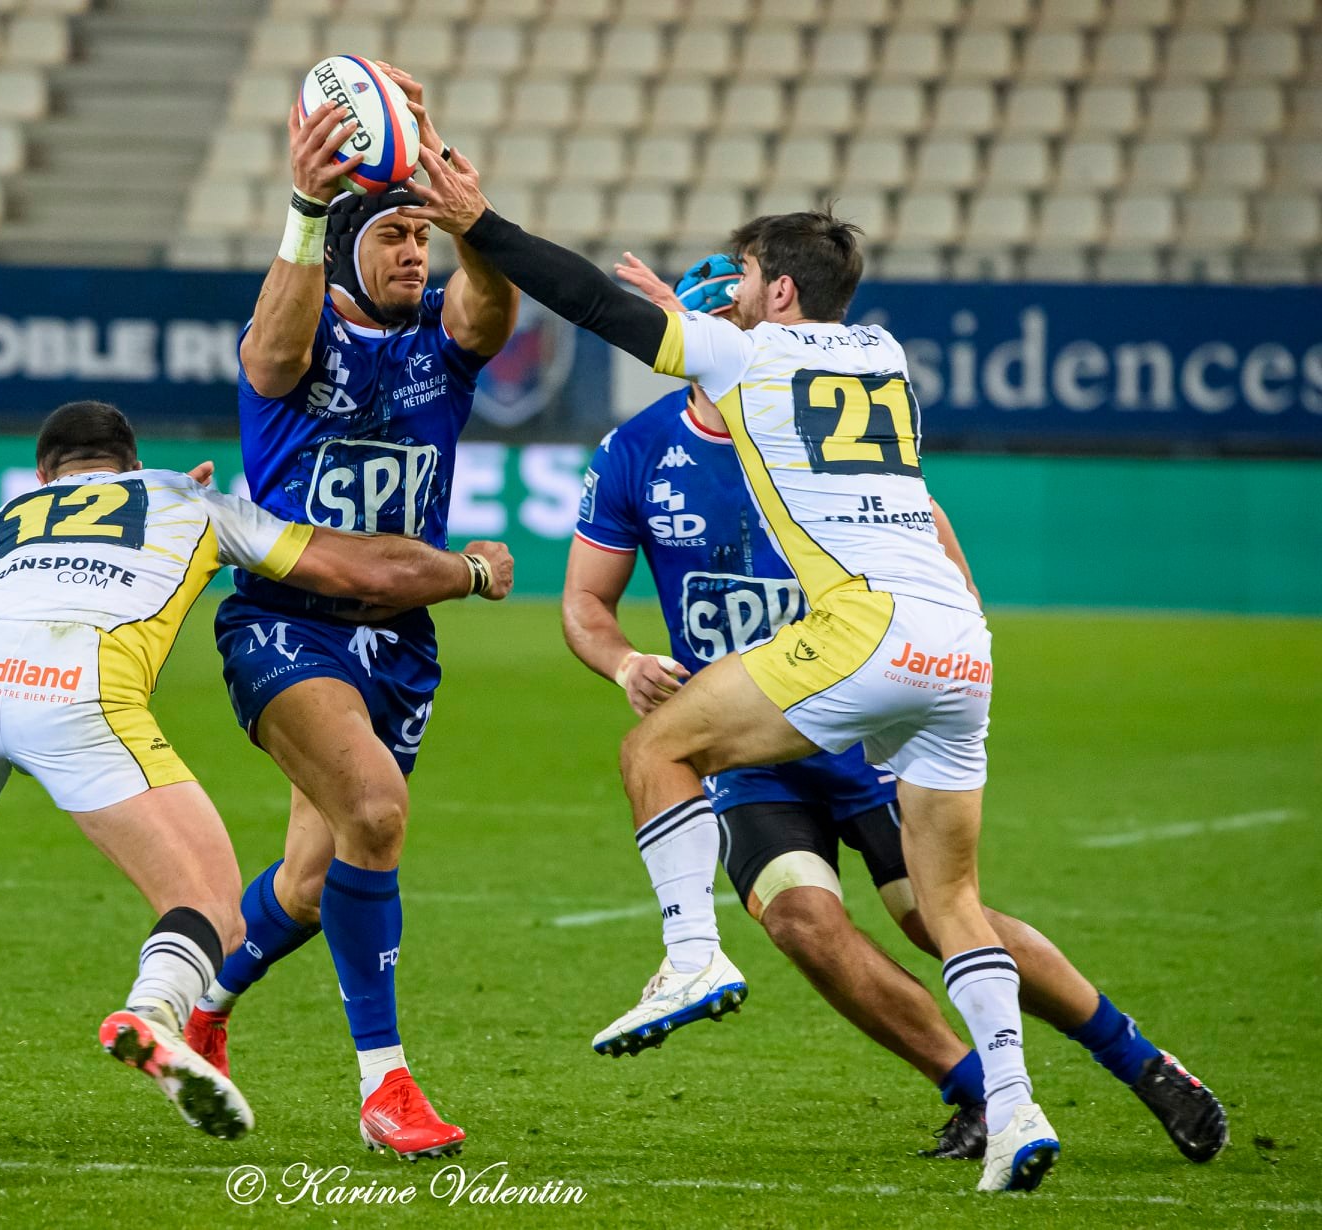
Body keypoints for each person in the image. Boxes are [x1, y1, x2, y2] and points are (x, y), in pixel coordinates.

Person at [408, 159, 1059, 1192]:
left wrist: (480, 223)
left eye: (748, 277)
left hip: (867, 631)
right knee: (953, 903)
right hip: (959, 641)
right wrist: (696, 327)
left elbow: (589, 302)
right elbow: (752, 365)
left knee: (655, 748)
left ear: (780, 290)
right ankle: (1015, 1108)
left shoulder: (744, 353)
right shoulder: (881, 353)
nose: (739, 292)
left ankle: (692, 952)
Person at [567, 253, 1230, 1166]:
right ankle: (978, 1090)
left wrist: (947, 656)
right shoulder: (634, 451)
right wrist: (624, 662)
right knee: (800, 920)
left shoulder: (812, 419)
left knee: (936, 912)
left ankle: (1142, 1062)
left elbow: (927, 535)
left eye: (741, 317)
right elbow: (585, 602)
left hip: (862, 722)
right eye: (716, 322)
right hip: (748, 737)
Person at [0, 400, 513, 1172]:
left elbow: (91, 528)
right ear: (131, 461)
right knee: (212, 908)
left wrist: (161, 492)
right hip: (74, 689)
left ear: (44, 473)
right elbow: (359, 570)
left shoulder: (7, 517)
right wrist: (470, 571)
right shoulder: (190, 502)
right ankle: (155, 1012)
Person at [180, 66, 520, 1162]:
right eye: (394, 238)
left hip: (398, 643)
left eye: (422, 239)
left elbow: (488, 313)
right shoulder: (293, 334)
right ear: (339, 250)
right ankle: (386, 1087)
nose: (415, 254)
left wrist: (464, 215)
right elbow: (270, 355)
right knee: (374, 809)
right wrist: (306, 205)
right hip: (286, 623)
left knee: (314, 879)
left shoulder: (437, 345)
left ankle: (199, 1010)